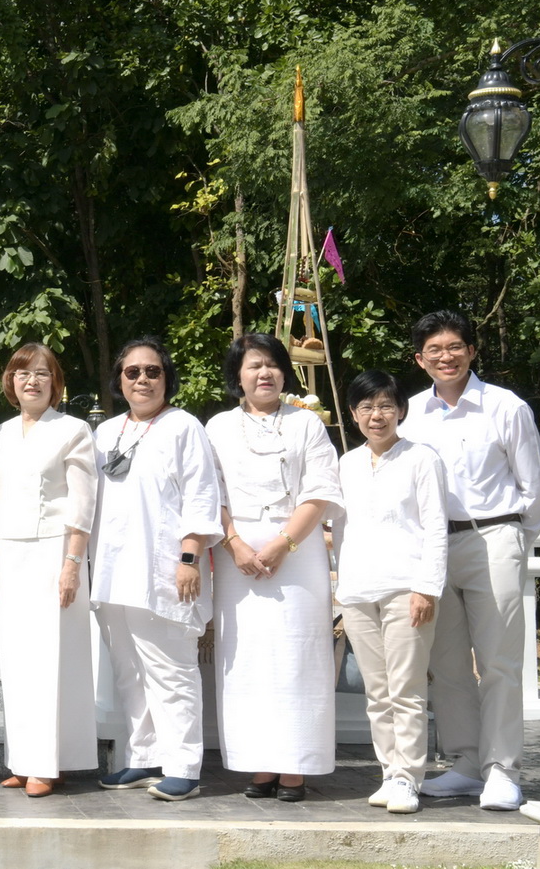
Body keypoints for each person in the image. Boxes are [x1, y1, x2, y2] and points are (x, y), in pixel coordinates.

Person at [401, 310, 540, 811]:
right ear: (419, 359)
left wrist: (514, 540)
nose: (446, 357)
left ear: (471, 350)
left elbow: (534, 489)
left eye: (455, 346)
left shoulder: (505, 407)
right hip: (433, 548)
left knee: (499, 663)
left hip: (493, 539)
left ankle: (503, 769)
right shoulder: (411, 412)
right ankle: (465, 764)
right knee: (445, 667)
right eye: (434, 350)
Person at [205, 333, 342, 802]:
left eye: (272, 365)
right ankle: (257, 765)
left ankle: (296, 767)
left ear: (285, 372)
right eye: (253, 366)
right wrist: (235, 543)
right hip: (236, 559)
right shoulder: (218, 427)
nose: (263, 373)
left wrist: (284, 543)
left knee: (297, 660)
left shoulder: (307, 426)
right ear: (238, 376)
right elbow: (211, 493)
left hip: (298, 556)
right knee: (246, 661)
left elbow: (320, 491)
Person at [91, 338, 222, 803]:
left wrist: (189, 557)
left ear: (167, 378)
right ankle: (143, 756)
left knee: (172, 670)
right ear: (119, 379)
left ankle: (183, 765)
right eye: (132, 372)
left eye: (152, 372)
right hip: (112, 572)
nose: (142, 380)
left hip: (164, 570)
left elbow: (203, 495)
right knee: (129, 671)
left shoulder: (184, 426)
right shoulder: (106, 433)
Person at [0, 343, 97, 799]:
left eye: (42, 374)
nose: (32, 381)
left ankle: (49, 764)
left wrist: (72, 562)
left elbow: (82, 502)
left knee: (53, 658)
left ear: (56, 383)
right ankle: (25, 758)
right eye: (22, 373)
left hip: (55, 551)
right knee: (17, 659)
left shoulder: (73, 431)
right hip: (10, 553)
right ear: (10, 382)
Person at [334, 369, 447, 816]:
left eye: (385, 406)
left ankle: (408, 778)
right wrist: (341, 587)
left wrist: (426, 587)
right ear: (353, 414)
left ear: (400, 410)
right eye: (366, 407)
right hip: (359, 590)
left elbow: (436, 527)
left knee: (407, 688)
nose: (376, 415)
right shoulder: (348, 463)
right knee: (376, 692)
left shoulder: (422, 458)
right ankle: (389, 772)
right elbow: (341, 530)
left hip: (407, 589)